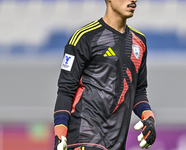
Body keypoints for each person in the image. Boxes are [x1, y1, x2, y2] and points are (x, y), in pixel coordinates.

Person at [54, 0, 156, 149]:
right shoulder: (84, 37)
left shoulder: (139, 42)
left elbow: (138, 91)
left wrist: (149, 119)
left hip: (116, 144)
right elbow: (65, 90)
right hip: (84, 139)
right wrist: (60, 133)